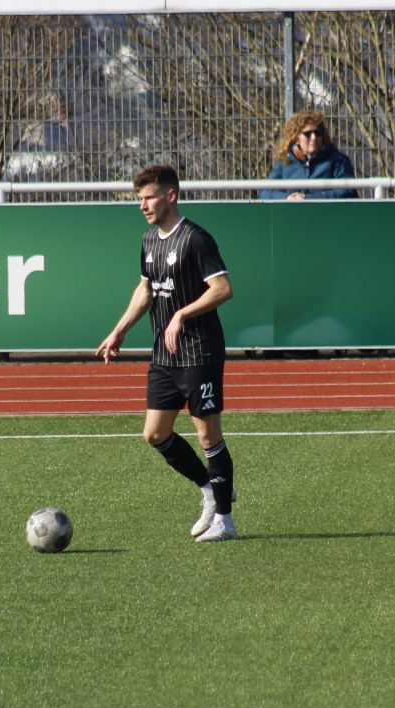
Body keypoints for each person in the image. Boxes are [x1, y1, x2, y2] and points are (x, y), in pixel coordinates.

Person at [97, 164, 238, 543]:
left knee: (208, 436)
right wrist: (119, 330)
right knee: (155, 433)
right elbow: (146, 289)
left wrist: (181, 314)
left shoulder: (195, 239)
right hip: (165, 355)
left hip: (199, 352)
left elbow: (223, 289)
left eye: (149, 197)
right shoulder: (149, 240)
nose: (142, 205)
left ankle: (225, 521)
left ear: (171, 196)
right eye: (139, 198)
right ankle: (210, 490)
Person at [259, 110, 359, 199]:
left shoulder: (338, 160)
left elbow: (349, 191)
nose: (314, 137)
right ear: (296, 138)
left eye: (317, 133)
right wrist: (287, 198)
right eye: (307, 134)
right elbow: (265, 192)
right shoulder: (284, 162)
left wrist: (310, 199)